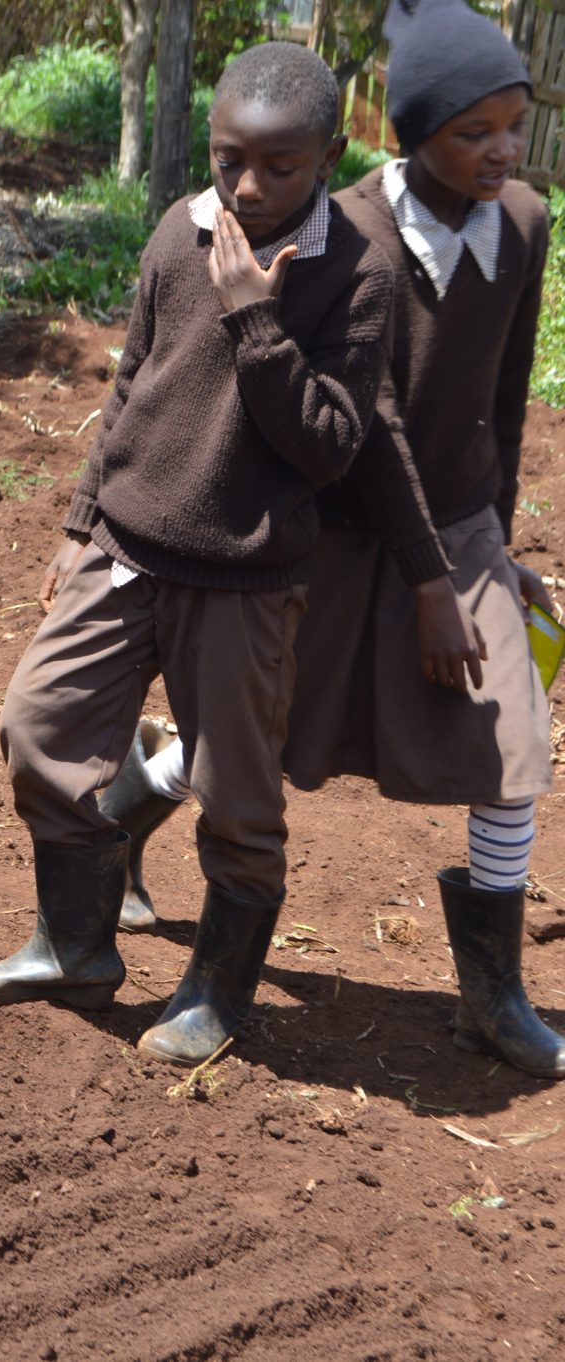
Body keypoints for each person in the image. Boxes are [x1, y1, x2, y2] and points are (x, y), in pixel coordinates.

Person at [99, 1, 562, 1078]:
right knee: (248, 747)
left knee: (510, 751)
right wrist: (428, 580)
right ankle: (129, 816)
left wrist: (492, 542)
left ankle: (491, 996)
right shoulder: (348, 230)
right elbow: (370, 431)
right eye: (471, 133)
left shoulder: (525, 224)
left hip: (450, 532)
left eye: (512, 127)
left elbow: (500, 398)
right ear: (405, 136)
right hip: (337, 537)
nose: (499, 153)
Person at [0, 42, 396, 1067]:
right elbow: (130, 388)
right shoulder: (175, 230)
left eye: (277, 166)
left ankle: (214, 993)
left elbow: (327, 447)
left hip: (244, 579)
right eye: (228, 157)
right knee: (35, 727)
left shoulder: (356, 276)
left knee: (236, 799)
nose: (246, 185)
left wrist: (254, 319)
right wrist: (75, 523)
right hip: (125, 546)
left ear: (327, 155)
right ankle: (73, 945)